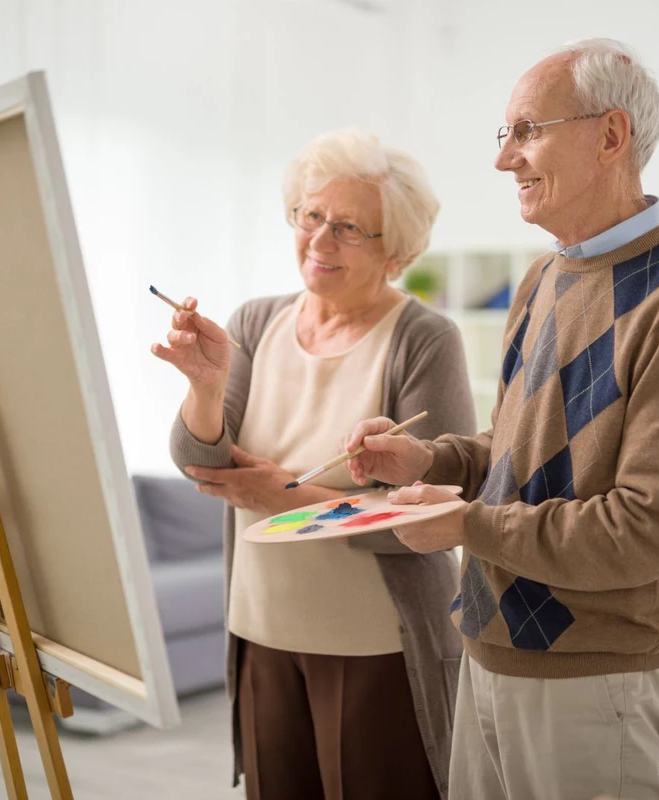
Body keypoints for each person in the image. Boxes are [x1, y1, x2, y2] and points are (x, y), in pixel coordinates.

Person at [343, 39, 659, 800]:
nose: (505, 160)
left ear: (611, 135)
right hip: (488, 648)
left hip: (591, 677)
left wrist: (466, 526)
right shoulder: (542, 276)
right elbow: (515, 453)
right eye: (506, 134)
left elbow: (647, 530)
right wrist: (428, 460)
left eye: (527, 131)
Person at [155, 128, 476, 800]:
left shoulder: (423, 338)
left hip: (377, 644)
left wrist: (283, 498)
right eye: (311, 216)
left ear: (395, 251)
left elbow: (434, 515)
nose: (320, 240)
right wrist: (205, 389)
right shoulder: (256, 322)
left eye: (349, 227)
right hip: (261, 628)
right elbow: (201, 462)